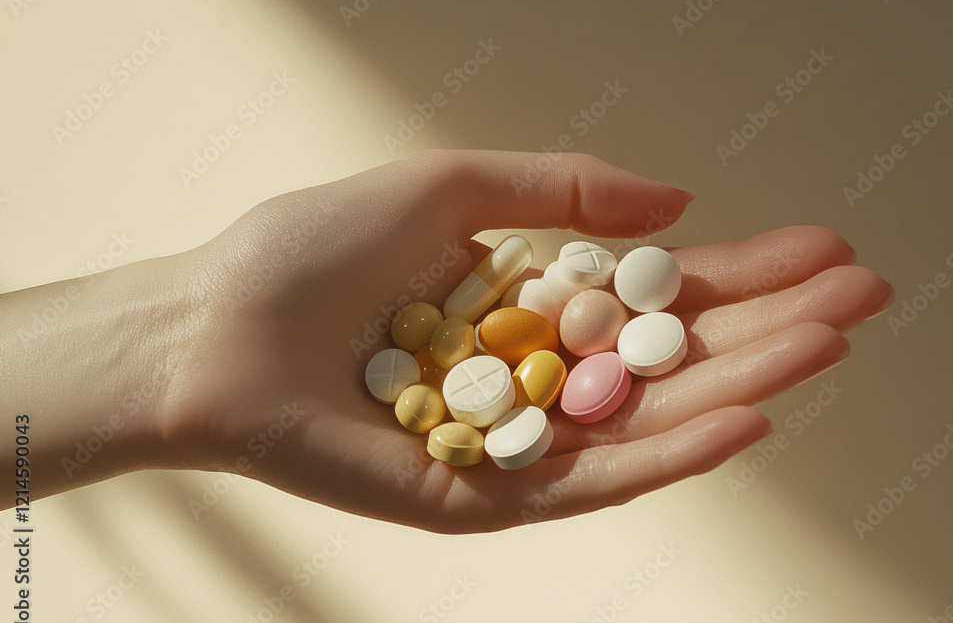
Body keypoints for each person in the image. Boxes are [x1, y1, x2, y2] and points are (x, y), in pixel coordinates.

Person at [1, 150, 893, 534]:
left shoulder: (514, 337)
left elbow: (526, 346)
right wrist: (184, 331)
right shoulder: (465, 348)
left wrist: (178, 338)